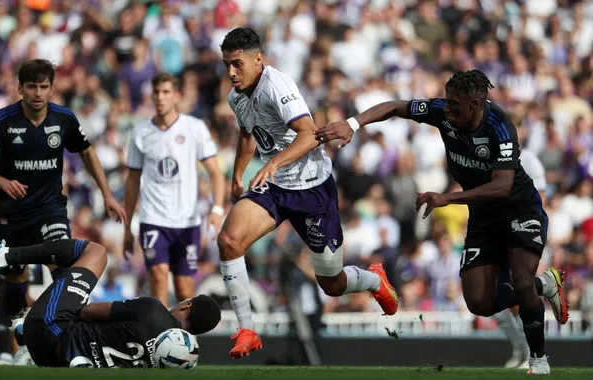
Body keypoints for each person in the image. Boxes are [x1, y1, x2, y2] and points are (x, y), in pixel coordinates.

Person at [314, 70, 567, 375]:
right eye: (447, 101)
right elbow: (397, 106)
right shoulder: (442, 113)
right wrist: (353, 123)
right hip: (484, 218)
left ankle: (539, 360)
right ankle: (546, 285)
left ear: (475, 104)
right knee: (479, 303)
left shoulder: (500, 128)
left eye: (455, 104)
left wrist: (448, 199)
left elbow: (501, 186)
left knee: (522, 281)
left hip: (520, 211)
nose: (447, 108)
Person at [217, 27, 398, 359]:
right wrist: (237, 175)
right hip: (273, 187)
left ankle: (373, 280)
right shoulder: (236, 96)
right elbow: (247, 133)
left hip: (312, 188)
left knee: (331, 283)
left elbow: (311, 135)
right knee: (229, 241)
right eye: (227, 64)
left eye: (237, 64)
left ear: (258, 59)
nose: (231, 72)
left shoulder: (278, 85)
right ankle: (247, 330)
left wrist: (274, 164)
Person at [0, 59, 126, 364]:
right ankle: (21, 348)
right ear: (20, 89)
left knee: (65, 273)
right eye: (32, 86)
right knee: (15, 282)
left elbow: (87, 152)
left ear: (53, 88)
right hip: (13, 214)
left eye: (44, 86)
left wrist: (107, 194)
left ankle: (69, 342)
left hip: (51, 210)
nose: (38, 93)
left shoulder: (64, 119)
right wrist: (4, 182)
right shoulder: (3, 120)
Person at [0, 221, 221, 368]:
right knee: (71, 285)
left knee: (96, 252)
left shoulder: (153, 309)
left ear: (187, 305)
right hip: (53, 358)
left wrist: (76, 295)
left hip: (49, 329)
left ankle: (3, 255)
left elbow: (88, 311)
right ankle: (25, 334)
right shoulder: (169, 361)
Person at [123, 73, 225, 307]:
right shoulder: (141, 132)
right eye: (156, 92)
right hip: (153, 219)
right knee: (159, 278)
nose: (160, 97)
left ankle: (188, 342)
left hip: (186, 222)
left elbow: (215, 172)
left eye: (166, 92)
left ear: (177, 96)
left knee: (183, 290)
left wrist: (217, 209)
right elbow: (132, 181)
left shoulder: (195, 128)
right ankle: (160, 341)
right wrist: (128, 226)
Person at [494, 148, 548, 370]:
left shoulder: (528, 159)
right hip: (497, 229)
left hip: (522, 229)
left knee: (517, 292)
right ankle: (518, 348)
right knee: (493, 294)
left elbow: (541, 195)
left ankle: (529, 350)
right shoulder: (487, 157)